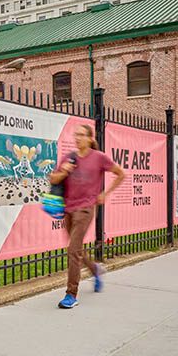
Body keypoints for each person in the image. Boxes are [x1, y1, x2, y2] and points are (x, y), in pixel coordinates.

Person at [49, 124, 124, 309]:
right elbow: (53, 180)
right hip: (68, 208)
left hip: (86, 209)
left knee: (73, 250)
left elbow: (121, 174)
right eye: (76, 135)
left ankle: (71, 294)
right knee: (77, 249)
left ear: (90, 138)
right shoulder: (70, 157)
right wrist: (65, 170)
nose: (78, 138)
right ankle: (95, 270)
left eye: (82, 135)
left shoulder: (99, 158)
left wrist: (106, 193)